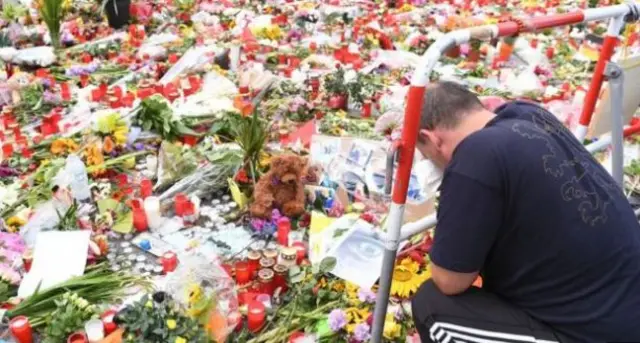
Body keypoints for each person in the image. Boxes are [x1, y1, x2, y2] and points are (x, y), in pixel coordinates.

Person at [411, 81, 640, 343]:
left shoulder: (475, 156)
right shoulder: (529, 114)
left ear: (430, 138)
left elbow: (449, 280)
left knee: (433, 305)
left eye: (425, 154)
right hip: (623, 305)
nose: (428, 162)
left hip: (593, 332)